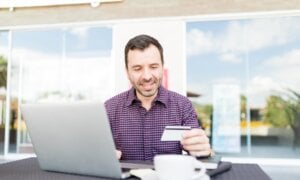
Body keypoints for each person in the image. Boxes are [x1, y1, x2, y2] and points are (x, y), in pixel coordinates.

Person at [105, 34, 212, 161]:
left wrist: (205, 151)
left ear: (162, 67)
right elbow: (96, 154)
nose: (147, 76)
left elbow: (200, 154)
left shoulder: (183, 105)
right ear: (127, 72)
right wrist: (101, 156)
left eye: (153, 67)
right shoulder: (109, 109)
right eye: (137, 68)